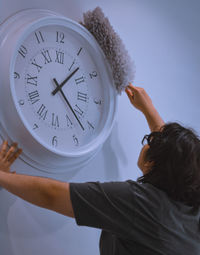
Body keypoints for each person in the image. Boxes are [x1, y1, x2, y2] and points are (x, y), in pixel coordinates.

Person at [0, 84, 200, 255]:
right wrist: (148, 109)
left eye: (150, 141)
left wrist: (3, 177)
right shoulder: (191, 200)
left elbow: (50, 194)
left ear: (153, 163)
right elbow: (178, 157)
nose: (148, 140)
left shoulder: (139, 203)